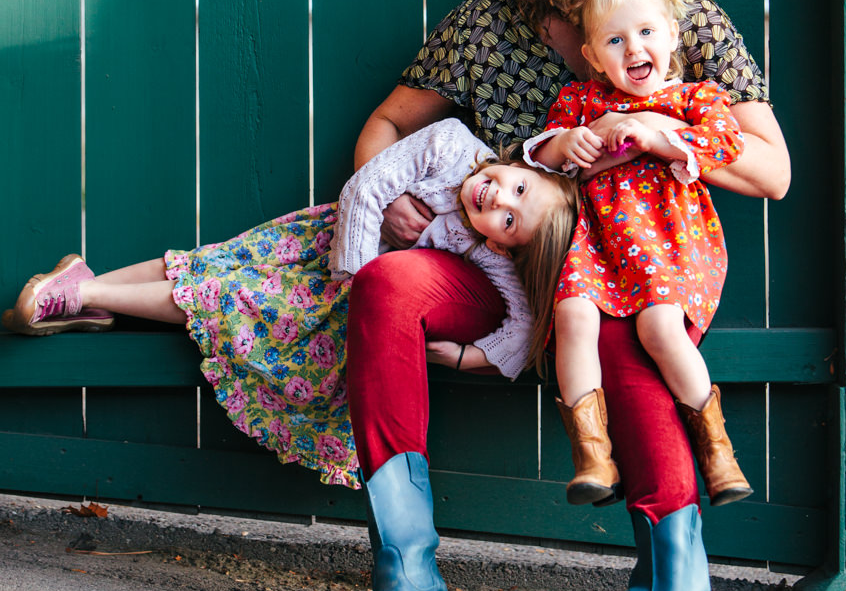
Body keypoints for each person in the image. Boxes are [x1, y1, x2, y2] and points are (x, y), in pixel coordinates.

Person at [345, 0, 790, 591]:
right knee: (387, 284)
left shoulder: (677, 14)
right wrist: (380, 183)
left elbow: (772, 168)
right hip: (507, 266)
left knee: (626, 341)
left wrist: (659, 134)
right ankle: (406, 569)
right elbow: (390, 123)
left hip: (641, 262)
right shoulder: (491, 18)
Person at [3, 118, 579, 498]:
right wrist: (355, 278)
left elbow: (524, 324)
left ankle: (84, 293)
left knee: (226, 296)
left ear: (505, 243)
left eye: (509, 221)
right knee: (211, 268)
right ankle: (87, 290)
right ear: (526, 165)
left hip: (339, 294)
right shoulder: (451, 145)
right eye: (518, 189)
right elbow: (367, 189)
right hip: (327, 246)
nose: (500, 201)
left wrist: (469, 357)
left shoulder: (491, 250)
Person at [524, 0, 753, 511]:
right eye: (615, 40)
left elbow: (726, 146)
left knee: (658, 328)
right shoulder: (583, 102)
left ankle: (718, 452)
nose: (633, 49)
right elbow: (543, 153)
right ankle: (592, 453)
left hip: (670, 242)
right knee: (572, 315)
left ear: (672, 34)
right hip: (598, 244)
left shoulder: (695, 100)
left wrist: (658, 137)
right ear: (593, 56)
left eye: (647, 32)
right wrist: (566, 146)